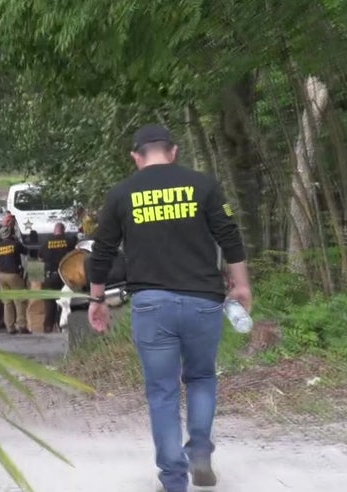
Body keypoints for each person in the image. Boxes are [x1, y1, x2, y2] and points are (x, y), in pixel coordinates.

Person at [87, 124, 253, 492]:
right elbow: (229, 234)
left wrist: (97, 299)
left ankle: (174, 479)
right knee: (201, 378)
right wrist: (241, 284)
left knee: (161, 391)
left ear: (136, 156)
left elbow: (101, 252)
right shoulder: (203, 185)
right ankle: (200, 453)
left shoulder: (122, 194)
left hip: (151, 305)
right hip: (202, 302)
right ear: (174, 151)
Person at [0, 224, 30, 334]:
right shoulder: (15, 244)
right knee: (19, 301)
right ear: (10, 234)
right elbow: (26, 251)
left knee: (7, 302)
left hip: (2, 276)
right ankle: (22, 326)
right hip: (14, 275)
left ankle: (10, 327)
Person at [39, 222, 76, 333]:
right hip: (64, 276)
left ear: (54, 231)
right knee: (63, 301)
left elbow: (40, 258)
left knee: (49, 303)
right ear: (63, 230)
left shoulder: (46, 242)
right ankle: (61, 325)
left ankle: (48, 327)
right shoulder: (69, 241)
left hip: (50, 275)